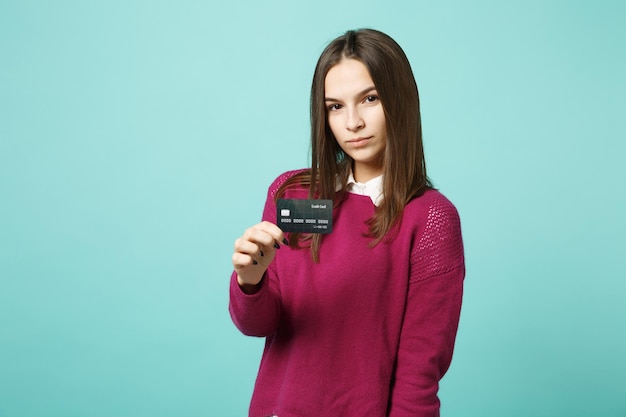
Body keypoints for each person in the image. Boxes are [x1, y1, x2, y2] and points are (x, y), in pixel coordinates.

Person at [229, 28, 465, 417]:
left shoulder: (430, 218)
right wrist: (249, 282)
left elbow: (418, 377)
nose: (352, 122)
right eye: (335, 106)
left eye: (369, 99)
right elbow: (259, 325)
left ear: (400, 99)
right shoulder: (292, 193)